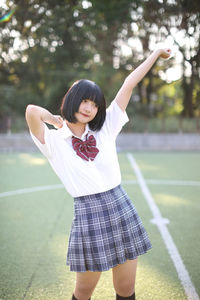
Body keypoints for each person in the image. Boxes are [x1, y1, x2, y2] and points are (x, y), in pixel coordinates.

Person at [25, 48, 171, 300]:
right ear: (72, 99)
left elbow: (129, 83)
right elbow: (31, 111)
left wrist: (156, 53)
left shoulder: (105, 127)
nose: (89, 108)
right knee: (83, 291)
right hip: (88, 215)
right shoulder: (53, 141)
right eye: (84, 100)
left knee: (125, 289)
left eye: (94, 104)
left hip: (120, 207)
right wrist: (55, 120)